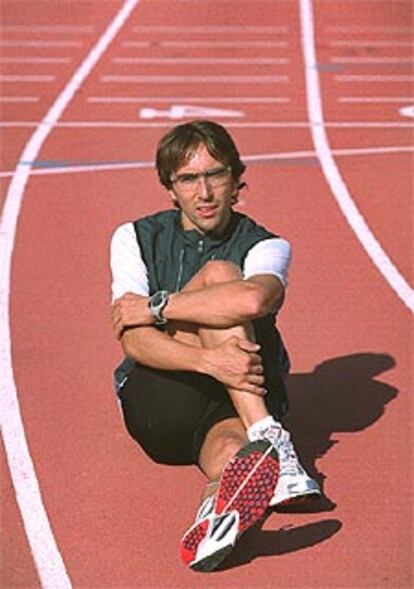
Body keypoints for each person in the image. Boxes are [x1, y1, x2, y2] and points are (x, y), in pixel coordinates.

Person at [110, 120, 321, 572]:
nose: (204, 192)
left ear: (236, 180)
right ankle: (272, 439)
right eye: (188, 179)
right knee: (222, 275)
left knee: (235, 457)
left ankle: (215, 515)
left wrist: (156, 305)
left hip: (229, 401)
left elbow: (254, 297)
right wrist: (209, 361)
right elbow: (135, 340)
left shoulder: (267, 244)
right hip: (162, 397)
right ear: (170, 188)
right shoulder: (134, 237)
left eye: (216, 175)